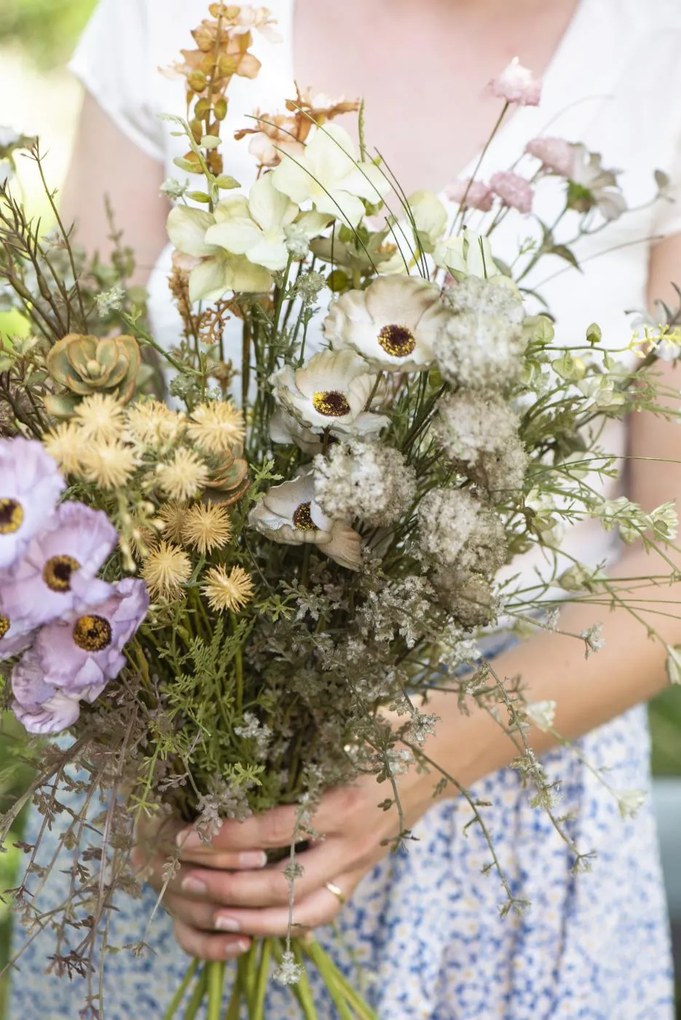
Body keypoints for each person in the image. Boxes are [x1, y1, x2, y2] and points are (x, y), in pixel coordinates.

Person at [9, 0, 681, 1016]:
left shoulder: (656, 54)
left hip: (508, 831)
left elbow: (669, 561)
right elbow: (72, 441)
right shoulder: (174, 21)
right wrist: (156, 778)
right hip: (175, 804)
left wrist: (415, 762)